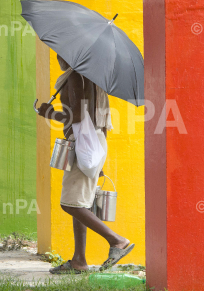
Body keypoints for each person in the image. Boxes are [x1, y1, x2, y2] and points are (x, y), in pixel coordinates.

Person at [37, 54, 134, 274]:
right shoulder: (92, 77)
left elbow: (79, 116)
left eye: (61, 52)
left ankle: (117, 241)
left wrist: (49, 112)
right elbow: (98, 120)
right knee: (81, 202)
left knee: (70, 204)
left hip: (82, 143)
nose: (58, 57)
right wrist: (97, 159)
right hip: (95, 142)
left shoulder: (75, 76)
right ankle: (79, 261)